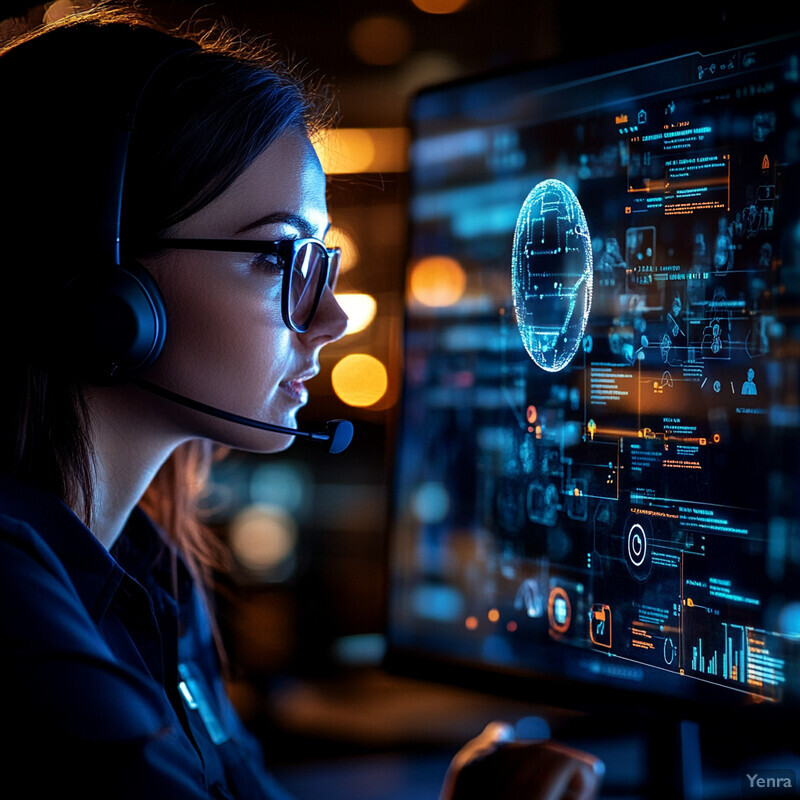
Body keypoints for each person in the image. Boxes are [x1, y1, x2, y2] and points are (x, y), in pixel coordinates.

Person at [0, 5, 603, 799]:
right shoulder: (11, 595)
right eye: (281, 258)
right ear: (109, 290)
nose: (330, 316)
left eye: (323, 261)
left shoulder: (148, 570)